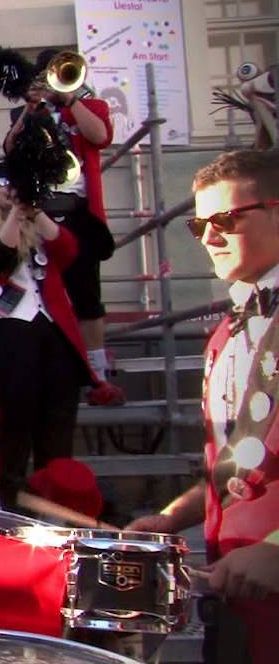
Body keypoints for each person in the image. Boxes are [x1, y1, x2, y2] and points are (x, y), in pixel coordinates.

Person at [129, 150, 279, 664]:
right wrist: (172, 517)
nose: (209, 237)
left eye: (226, 220)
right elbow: (240, 463)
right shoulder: (226, 333)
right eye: (199, 224)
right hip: (239, 601)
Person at [0, 163, 92, 508]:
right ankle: (9, 504)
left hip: (53, 334)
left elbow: (70, 252)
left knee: (58, 427)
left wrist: (35, 210)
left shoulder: (40, 231)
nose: (9, 189)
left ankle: (59, 502)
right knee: (14, 425)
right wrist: (16, 214)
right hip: (8, 335)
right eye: (3, 183)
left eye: (15, 183)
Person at [4, 49, 122, 406]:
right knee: (44, 287)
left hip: (77, 209)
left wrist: (71, 98)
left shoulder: (90, 107)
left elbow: (100, 136)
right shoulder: (28, 112)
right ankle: (56, 362)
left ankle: (98, 369)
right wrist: (30, 107)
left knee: (87, 290)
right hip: (40, 209)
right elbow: (10, 148)